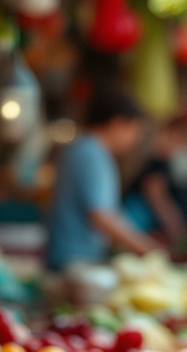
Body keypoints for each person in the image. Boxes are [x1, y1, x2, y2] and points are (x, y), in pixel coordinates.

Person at [46, 86, 162, 270]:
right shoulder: (91, 153)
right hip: (75, 260)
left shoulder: (86, 149)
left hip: (74, 257)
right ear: (117, 124)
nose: (135, 140)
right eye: (134, 131)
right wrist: (148, 250)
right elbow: (101, 215)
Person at [123, 120, 187, 246]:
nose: (179, 145)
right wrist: (176, 227)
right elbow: (156, 196)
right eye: (178, 139)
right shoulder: (158, 162)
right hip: (134, 222)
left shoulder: (161, 161)